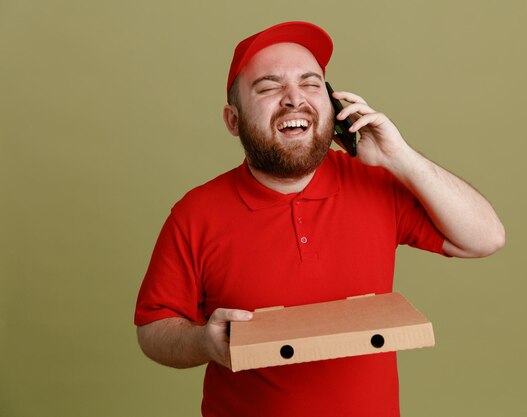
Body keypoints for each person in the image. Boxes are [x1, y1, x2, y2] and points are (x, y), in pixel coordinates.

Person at [134, 21, 504, 417]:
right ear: (233, 120)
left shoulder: (377, 183)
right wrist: (203, 342)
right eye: (269, 87)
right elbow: (153, 329)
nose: (295, 99)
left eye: (311, 84)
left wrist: (402, 158)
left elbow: (484, 238)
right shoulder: (195, 213)